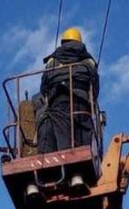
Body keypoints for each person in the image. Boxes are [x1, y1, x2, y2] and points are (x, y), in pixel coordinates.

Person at [36, 27, 99, 188]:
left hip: (58, 102)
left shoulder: (53, 61)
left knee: (55, 129)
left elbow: (44, 88)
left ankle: (49, 176)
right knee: (81, 134)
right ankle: (77, 174)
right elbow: (95, 87)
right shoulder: (88, 61)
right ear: (79, 42)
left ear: (63, 42)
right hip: (81, 105)